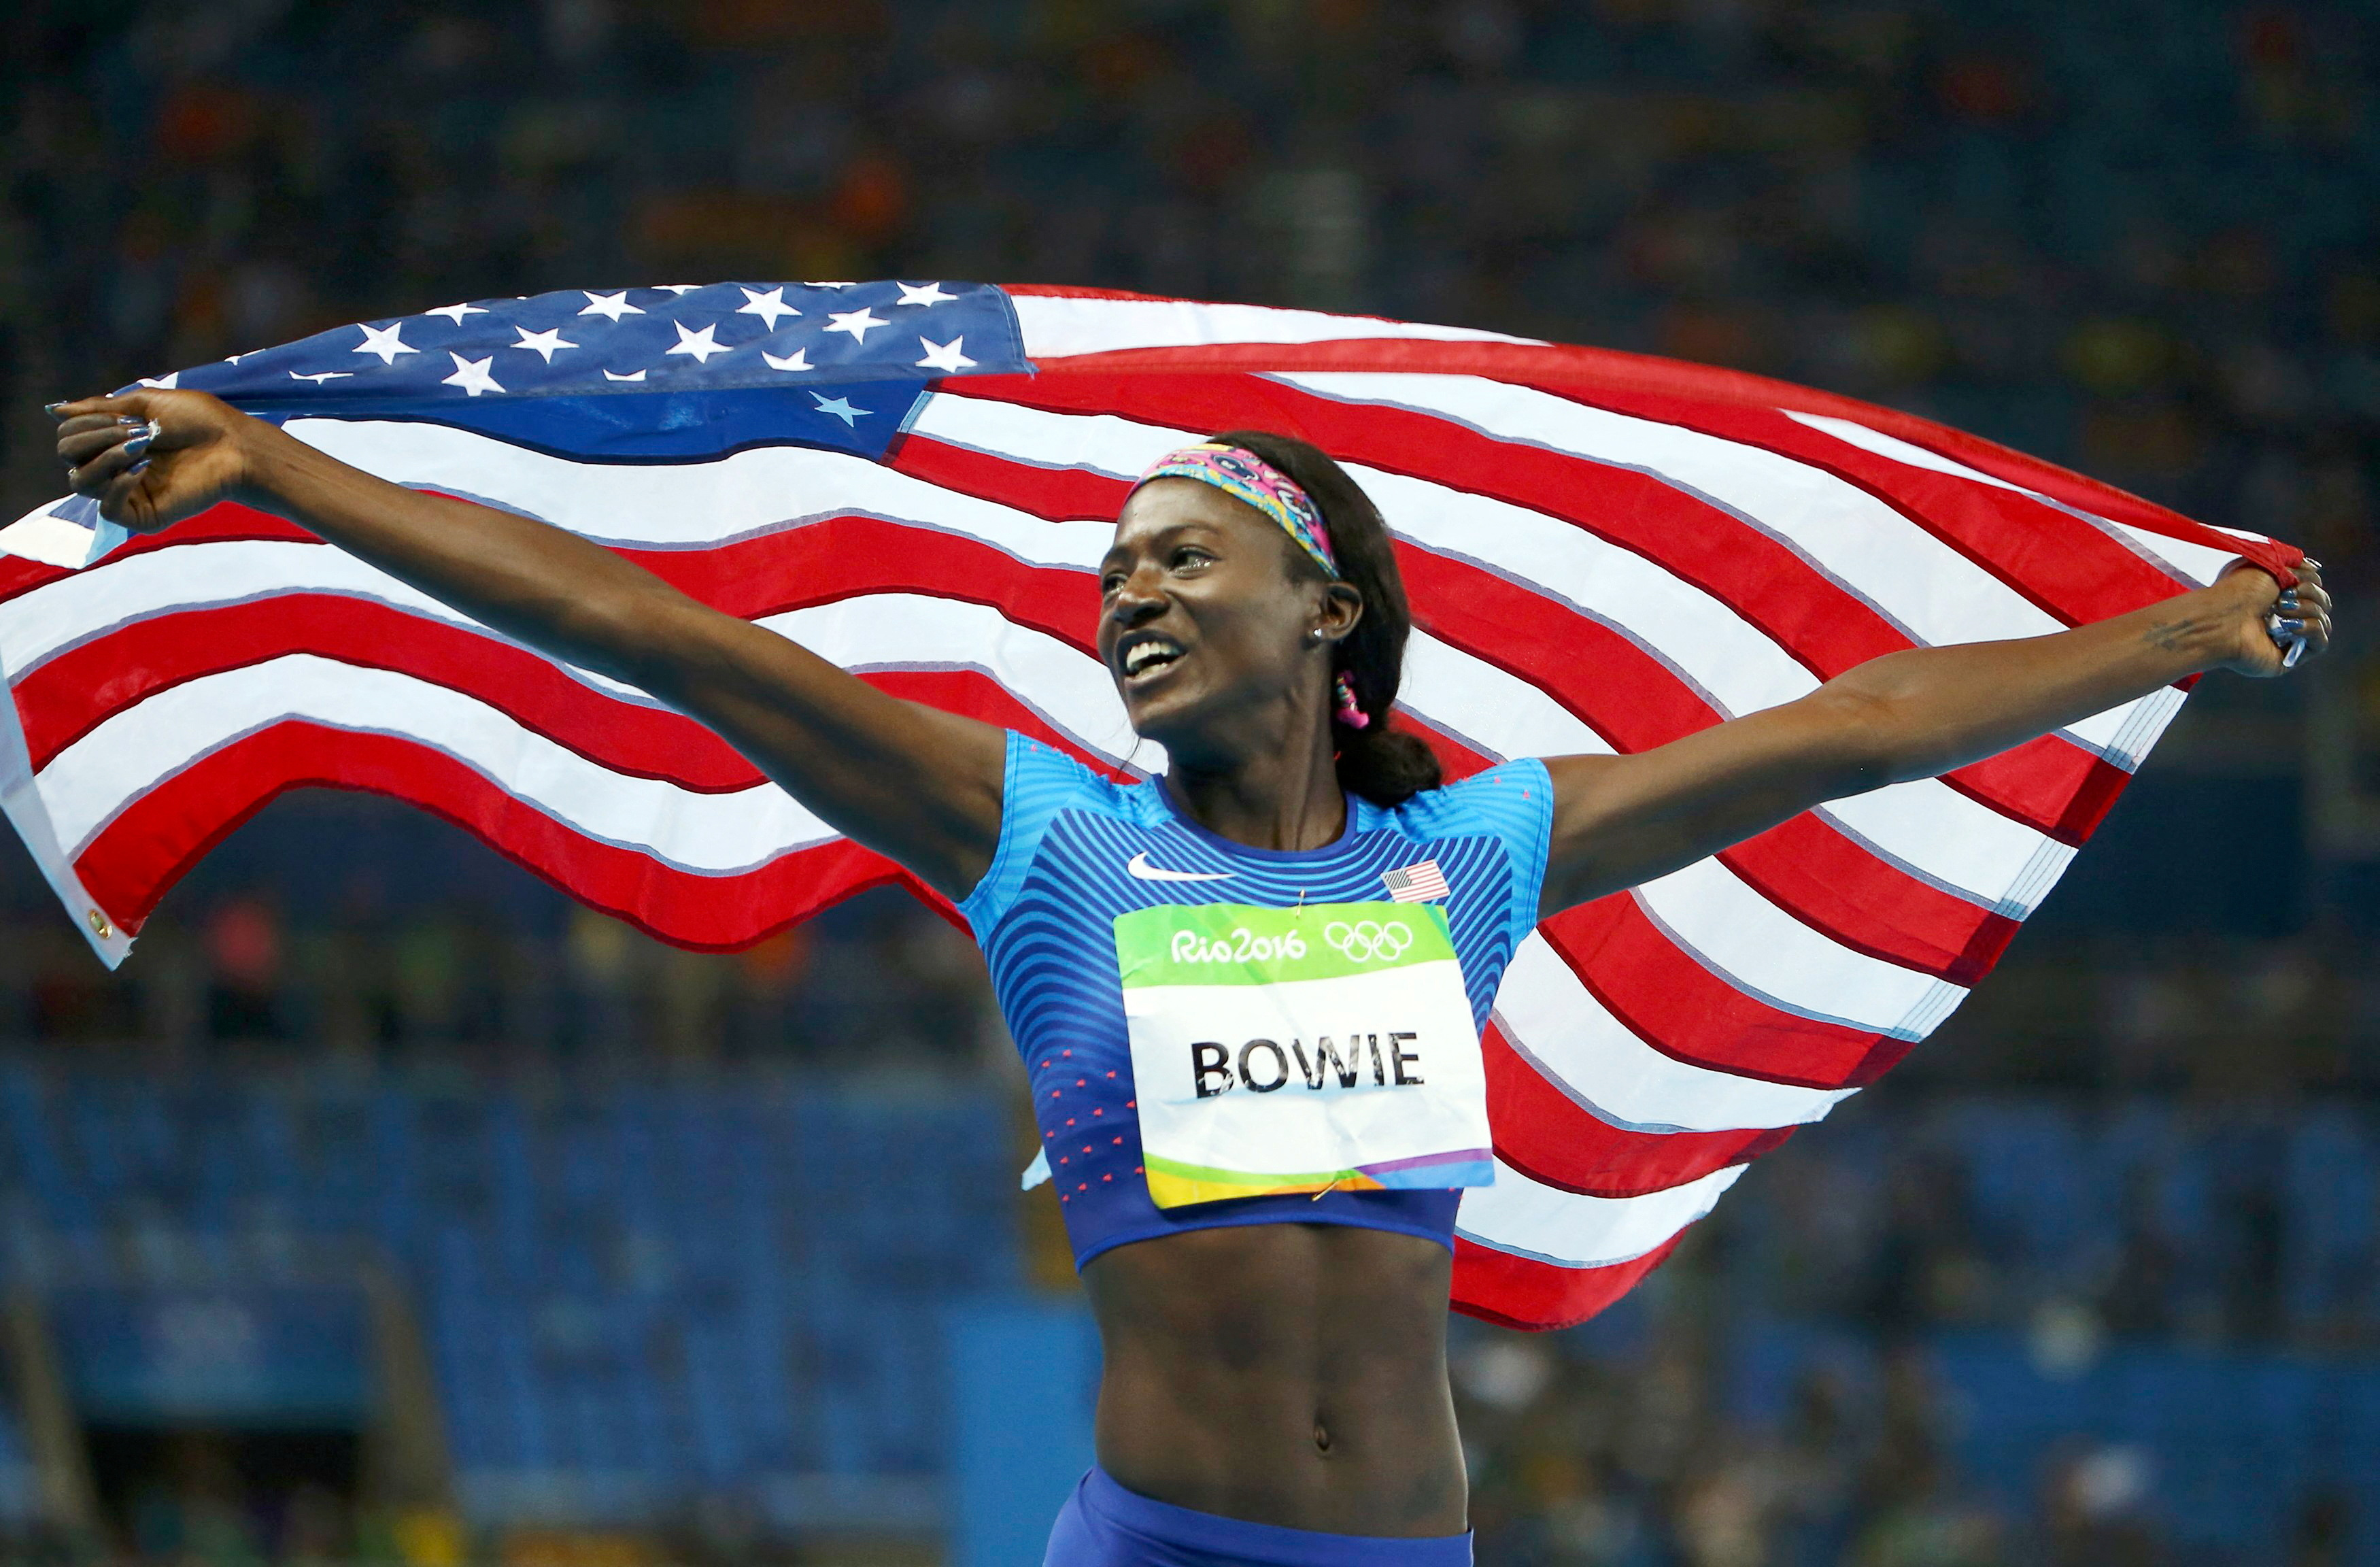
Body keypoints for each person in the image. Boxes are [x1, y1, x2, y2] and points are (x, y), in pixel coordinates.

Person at [50, 392, 2330, 1565]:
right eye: (1112, 567)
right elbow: (655, 633)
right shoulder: (1044, 838)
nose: (1126, 591)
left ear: (1326, 608)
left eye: (1182, 556)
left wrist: (2173, 631)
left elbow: (1836, 731)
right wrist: (289, 479)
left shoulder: (1469, 860)